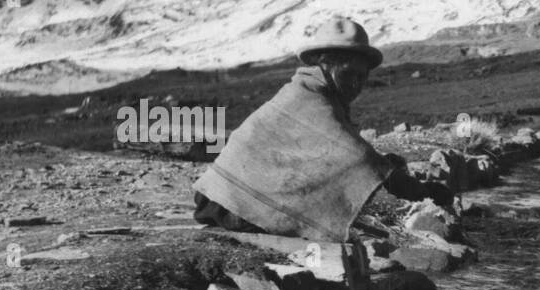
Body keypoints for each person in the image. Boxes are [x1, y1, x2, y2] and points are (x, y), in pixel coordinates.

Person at [193, 15, 452, 240]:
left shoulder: (316, 92)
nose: (356, 85)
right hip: (227, 205)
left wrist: (389, 171)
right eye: (349, 74)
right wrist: (417, 189)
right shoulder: (307, 97)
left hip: (225, 198)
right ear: (325, 64)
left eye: (362, 77)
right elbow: (357, 156)